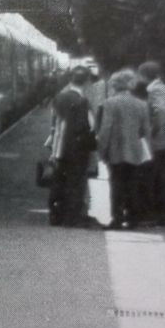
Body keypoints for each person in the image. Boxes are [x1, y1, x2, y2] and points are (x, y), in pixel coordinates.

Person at [94, 69, 151, 230]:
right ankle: (133, 219)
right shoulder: (141, 104)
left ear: (115, 85)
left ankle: (117, 219)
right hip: (135, 150)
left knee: (116, 184)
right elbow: (145, 130)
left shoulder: (109, 103)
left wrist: (102, 151)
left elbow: (105, 129)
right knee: (133, 184)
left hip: (115, 150)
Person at [46, 66, 97, 226]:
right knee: (76, 183)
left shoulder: (59, 98)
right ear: (87, 81)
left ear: (71, 79)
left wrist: (54, 149)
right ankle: (72, 217)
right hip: (78, 149)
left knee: (59, 180)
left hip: (59, 147)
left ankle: (56, 215)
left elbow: (53, 124)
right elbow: (92, 125)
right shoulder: (83, 101)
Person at [137, 61, 165, 227]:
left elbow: (161, 112)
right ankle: (161, 216)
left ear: (144, 76)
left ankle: (154, 217)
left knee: (153, 180)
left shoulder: (154, 90)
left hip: (159, 143)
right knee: (161, 181)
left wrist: (152, 132)